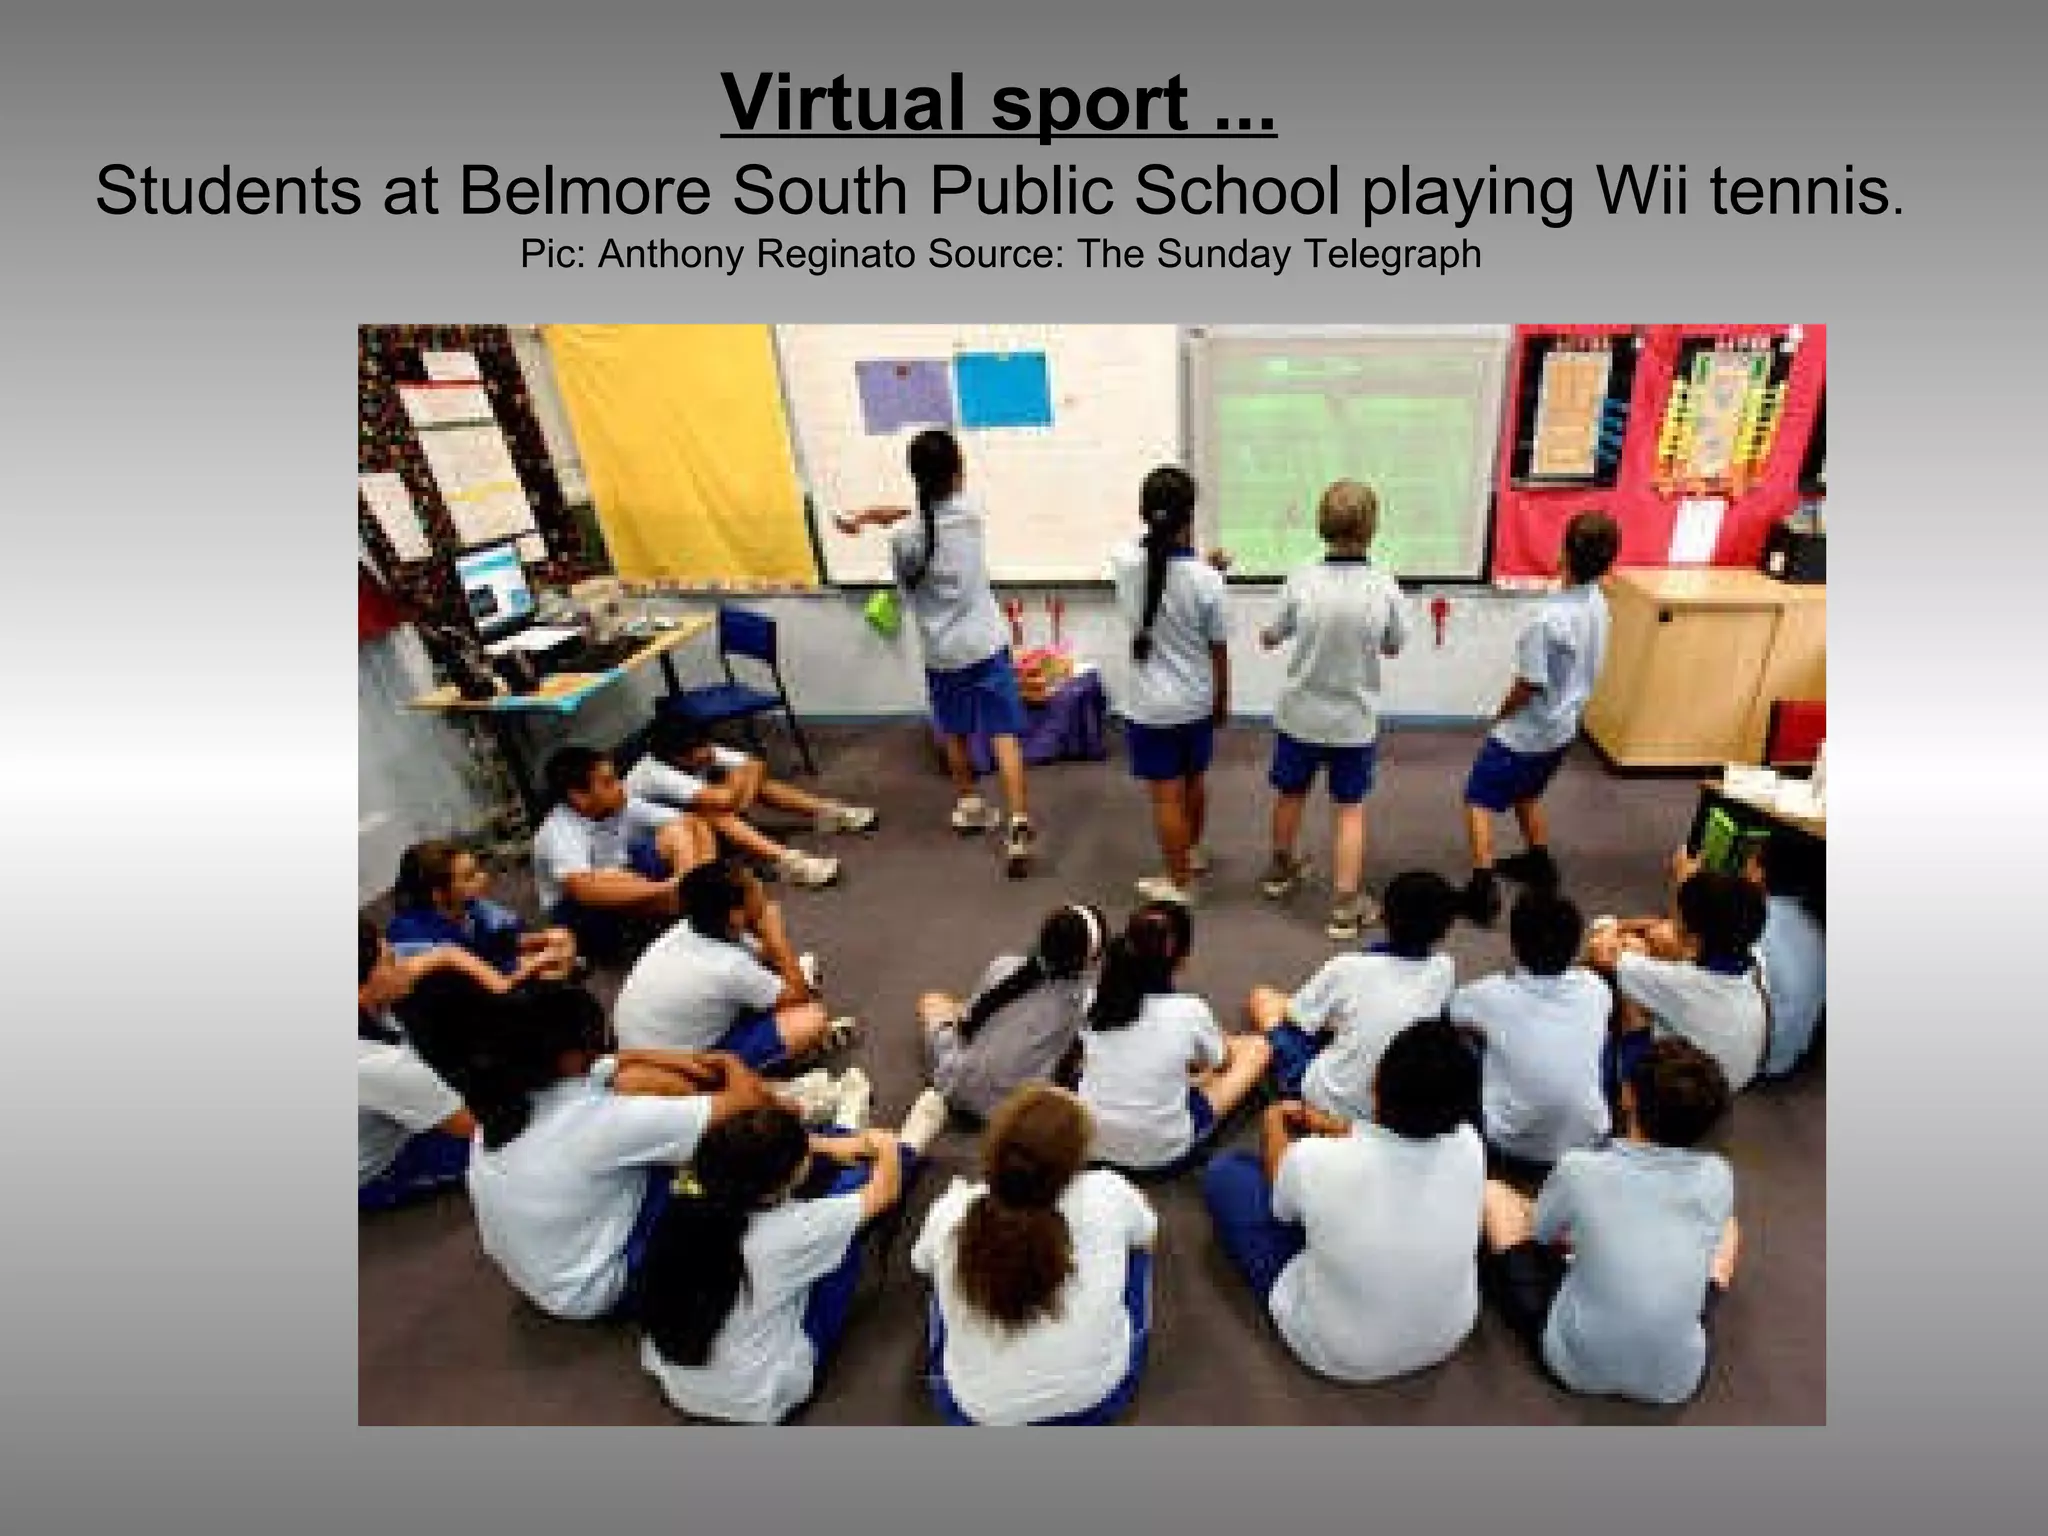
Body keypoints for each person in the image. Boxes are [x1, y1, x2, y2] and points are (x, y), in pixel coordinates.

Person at [398, 973, 781, 1321]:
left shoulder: (511, 1099)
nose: (603, 1047)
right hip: (600, 1286)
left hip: (548, 1276)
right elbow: (743, 1101)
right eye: (596, 1041)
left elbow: (615, 1065)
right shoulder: (595, 1123)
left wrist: (679, 1062)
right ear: (570, 1056)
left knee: (638, 1083)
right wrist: (728, 1064)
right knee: (732, 1155)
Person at [637, 1088, 949, 1424]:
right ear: (775, 1186)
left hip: (678, 1380)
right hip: (759, 1395)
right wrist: (885, 1145)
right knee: (845, 1229)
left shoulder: (687, 1198)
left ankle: (845, 1130)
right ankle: (910, 1145)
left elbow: (775, 1160)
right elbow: (883, 1193)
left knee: (821, 1211)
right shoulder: (789, 1232)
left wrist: (827, 1145)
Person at [1203, 1019, 1486, 1384]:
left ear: (1376, 1081)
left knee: (1228, 1174)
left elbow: (1281, 1200)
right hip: (1447, 1335)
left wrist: (1273, 1121)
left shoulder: (1318, 1160)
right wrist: (1323, 1123)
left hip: (1338, 1352)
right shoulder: (1468, 1145)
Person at [1480, 1036, 1740, 1406]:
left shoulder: (1580, 1169)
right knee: (1729, 1228)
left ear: (1628, 1096)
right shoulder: (1719, 1175)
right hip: (1677, 1379)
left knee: (1497, 1197)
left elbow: (1539, 1235)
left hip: (1575, 1363)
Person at [835, 429, 1035, 877]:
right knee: (1004, 734)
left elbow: (908, 578)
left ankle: (969, 805)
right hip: (985, 643)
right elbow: (931, 512)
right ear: (958, 470)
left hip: (942, 652)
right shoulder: (970, 514)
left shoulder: (904, 539)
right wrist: (874, 515)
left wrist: (867, 517)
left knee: (955, 733)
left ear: (914, 474)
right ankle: (1018, 819)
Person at [912, 1085, 1158, 1425]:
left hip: (979, 1416)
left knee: (944, 1280)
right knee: (1137, 1247)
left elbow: (920, 1265)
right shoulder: (1107, 1192)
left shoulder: (952, 1212)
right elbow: (1148, 1234)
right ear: (1075, 1160)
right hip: (1096, 1401)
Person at [1257, 480, 1410, 939]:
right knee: (1349, 810)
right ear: (1372, 527)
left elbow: (1271, 633)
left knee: (1290, 794)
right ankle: (1344, 908)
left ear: (1321, 523)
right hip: (1352, 722)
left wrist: (1275, 637)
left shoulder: (1300, 578)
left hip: (1300, 714)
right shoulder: (1384, 585)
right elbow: (1395, 645)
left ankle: (1280, 871)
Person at [1462, 510, 1622, 924]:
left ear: (1564, 554)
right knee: (1526, 792)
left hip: (1527, 732)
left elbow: (1530, 683)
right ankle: (1539, 862)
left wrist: (1501, 712)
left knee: (1477, 799)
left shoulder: (1548, 619)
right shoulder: (1599, 605)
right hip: (1564, 729)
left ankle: (1482, 889)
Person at [1249, 870, 1461, 1124]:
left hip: (1332, 1097)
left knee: (1264, 999)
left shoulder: (1347, 967)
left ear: (1383, 915)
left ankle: (1301, 1101)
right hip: (1405, 1108)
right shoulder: (1444, 968)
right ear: (1445, 929)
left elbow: (1297, 1018)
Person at [1109, 465, 1231, 905]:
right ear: (1190, 518)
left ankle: (1178, 881)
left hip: (1150, 708)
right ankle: (1188, 859)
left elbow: (1151, 561)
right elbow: (1218, 649)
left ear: (1143, 511)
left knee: (1165, 796)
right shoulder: (1207, 580)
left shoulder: (1123, 561)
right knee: (1193, 783)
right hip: (1195, 702)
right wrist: (1222, 699)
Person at [1076, 902, 1270, 1174]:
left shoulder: (1092, 999)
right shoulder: (1189, 1010)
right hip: (1163, 1153)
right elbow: (1223, 1061)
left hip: (1091, 1141)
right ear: (1182, 960)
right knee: (1256, 1048)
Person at [613, 861, 856, 1069]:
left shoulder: (689, 928)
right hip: (678, 1068)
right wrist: (777, 936)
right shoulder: (729, 966)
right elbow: (799, 995)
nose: (761, 889)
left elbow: (763, 955)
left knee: (775, 979)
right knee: (811, 1019)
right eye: (754, 888)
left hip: (641, 1049)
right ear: (735, 915)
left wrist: (770, 945)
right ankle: (758, 1076)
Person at [1448, 889, 1612, 1166]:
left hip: (1508, 1145)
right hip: (1589, 1140)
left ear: (1515, 943)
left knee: (1462, 1041)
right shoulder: (1597, 989)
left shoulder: (1488, 995)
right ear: (1575, 945)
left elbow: (1451, 1012)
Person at [626, 713, 872, 889]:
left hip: (689, 825)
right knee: (716, 809)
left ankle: (830, 813)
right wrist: (737, 789)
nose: (708, 753)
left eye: (706, 745)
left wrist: (738, 793)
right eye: (698, 751)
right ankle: (789, 862)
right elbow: (722, 800)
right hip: (648, 848)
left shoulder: (698, 748)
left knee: (753, 784)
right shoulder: (656, 775)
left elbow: (756, 765)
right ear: (676, 758)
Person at [1586, 863, 1769, 1095]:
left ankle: (1623, 1083)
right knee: (1647, 958)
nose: (1673, 924)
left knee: (1628, 991)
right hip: (1732, 1077)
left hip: (1678, 1090)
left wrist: (1611, 926)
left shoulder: (1679, 981)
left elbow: (1599, 949)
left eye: (1678, 921)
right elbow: (1665, 933)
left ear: (1694, 938)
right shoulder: (1754, 957)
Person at [919, 902, 1108, 1121]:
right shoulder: (1083, 1000)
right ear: (1089, 959)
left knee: (932, 1000)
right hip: (1014, 1110)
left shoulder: (1004, 965)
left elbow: (968, 1022)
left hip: (955, 1084)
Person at [530, 745, 716, 961]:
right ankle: (693, 914)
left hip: (624, 873)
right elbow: (583, 889)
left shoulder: (619, 801)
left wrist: (702, 873)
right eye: (608, 783)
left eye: (616, 778)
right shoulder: (558, 831)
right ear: (579, 796)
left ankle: (695, 902)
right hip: (578, 910)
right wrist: (666, 887)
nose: (620, 787)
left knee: (677, 832)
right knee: (619, 878)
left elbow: (692, 822)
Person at [357, 917, 476, 1210]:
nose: (401, 962)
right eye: (388, 961)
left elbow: (444, 953)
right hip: (377, 1170)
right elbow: (476, 1125)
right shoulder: (381, 1065)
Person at [387, 839, 578, 982]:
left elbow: (509, 937)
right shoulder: (409, 935)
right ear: (437, 893)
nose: (484, 877)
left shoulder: (474, 907)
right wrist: (533, 964)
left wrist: (545, 940)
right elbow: (475, 985)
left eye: (478, 870)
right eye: (470, 877)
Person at [1750, 836, 1826, 1078]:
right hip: (1788, 1056)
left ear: (1760, 874)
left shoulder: (1752, 917)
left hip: (1751, 1057)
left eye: (1750, 860)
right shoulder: (1817, 926)